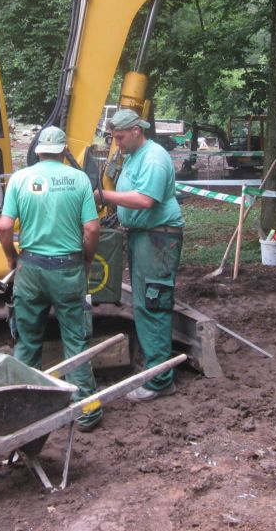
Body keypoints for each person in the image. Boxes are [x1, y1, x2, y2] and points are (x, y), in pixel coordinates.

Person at [0, 125, 103, 432]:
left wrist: (11, 258)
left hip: (30, 270)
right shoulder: (79, 179)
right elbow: (93, 229)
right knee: (76, 340)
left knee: (28, 343)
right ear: (63, 150)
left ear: (38, 149)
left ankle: (27, 412)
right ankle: (87, 412)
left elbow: (4, 227)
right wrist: (87, 258)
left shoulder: (19, 179)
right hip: (68, 270)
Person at [96, 108, 183, 402]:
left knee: (154, 302)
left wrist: (104, 196)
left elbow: (145, 200)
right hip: (142, 236)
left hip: (157, 237)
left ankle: (160, 382)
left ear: (136, 130)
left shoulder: (154, 158)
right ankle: (154, 369)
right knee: (144, 303)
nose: (117, 143)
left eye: (120, 137)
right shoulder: (133, 156)